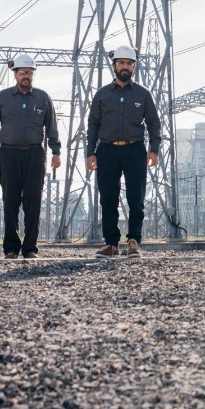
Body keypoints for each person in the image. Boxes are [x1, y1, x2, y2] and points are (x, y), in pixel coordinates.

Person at [0, 55, 61, 260]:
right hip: (9, 154)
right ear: (15, 74)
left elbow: (51, 128)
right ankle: (11, 248)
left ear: (33, 75)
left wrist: (56, 151)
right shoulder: (2, 98)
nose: (26, 76)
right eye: (23, 72)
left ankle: (30, 248)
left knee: (34, 201)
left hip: (34, 154)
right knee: (10, 201)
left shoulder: (43, 98)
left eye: (30, 73)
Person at [85, 45, 162, 257]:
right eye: (121, 63)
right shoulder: (102, 95)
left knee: (135, 197)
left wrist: (154, 150)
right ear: (114, 65)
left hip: (135, 150)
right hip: (107, 150)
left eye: (129, 63)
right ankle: (111, 244)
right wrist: (90, 153)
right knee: (108, 198)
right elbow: (93, 125)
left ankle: (134, 242)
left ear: (134, 66)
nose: (125, 67)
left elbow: (154, 124)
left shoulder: (143, 94)